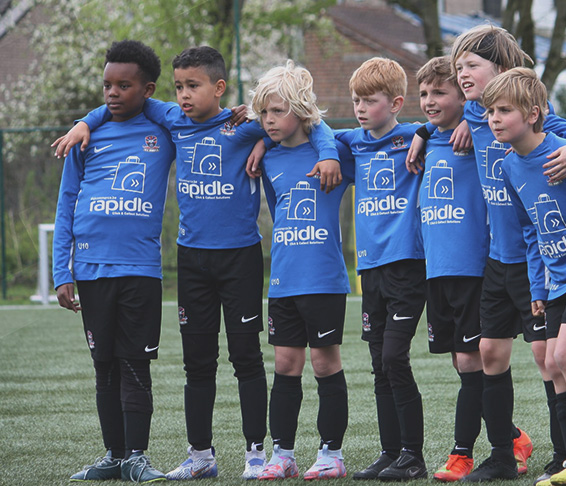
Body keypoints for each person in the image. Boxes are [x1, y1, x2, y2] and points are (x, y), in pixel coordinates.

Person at [54, 46, 341, 480]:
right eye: (179, 87)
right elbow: (125, 97)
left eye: (193, 86)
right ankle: (200, 455)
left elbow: (308, 124)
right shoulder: (171, 119)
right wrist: (84, 122)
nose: (184, 95)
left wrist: (280, 143)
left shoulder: (245, 125)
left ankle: (255, 453)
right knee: (198, 362)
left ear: (219, 87)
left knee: (246, 357)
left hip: (240, 257)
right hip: (191, 260)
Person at [406, 25, 566, 483]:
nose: (462, 74)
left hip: (537, 261)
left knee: (547, 358)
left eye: (471, 65)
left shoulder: (527, 115)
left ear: (502, 68)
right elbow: (443, 112)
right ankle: (501, 456)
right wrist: (422, 130)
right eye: (459, 66)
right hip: (497, 260)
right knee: (490, 352)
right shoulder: (476, 114)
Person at [485, 67, 566, 486]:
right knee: (552, 362)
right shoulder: (509, 166)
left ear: (534, 114)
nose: (495, 119)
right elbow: (531, 230)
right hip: (556, 277)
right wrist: (538, 286)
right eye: (490, 111)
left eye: (504, 110)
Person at [53, 39, 174, 483]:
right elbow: (66, 204)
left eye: (125, 85)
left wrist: (89, 117)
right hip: (90, 270)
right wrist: (61, 271)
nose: (113, 93)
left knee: (134, 364)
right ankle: (114, 455)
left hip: (139, 270)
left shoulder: (163, 129)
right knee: (103, 365)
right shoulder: (83, 139)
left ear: (148, 90)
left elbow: (190, 113)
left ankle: (137, 456)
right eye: (107, 85)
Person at [240, 60, 352, 481]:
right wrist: (260, 141)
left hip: (323, 279)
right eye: (264, 113)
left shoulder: (333, 151)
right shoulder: (268, 158)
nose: (268, 120)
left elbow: (327, 132)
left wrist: (326, 148)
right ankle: (283, 453)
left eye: (278, 111)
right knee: (285, 365)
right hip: (283, 281)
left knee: (324, 364)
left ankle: (331, 453)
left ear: (302, 111)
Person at [334, 57, 428, 481]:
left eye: (369, 101)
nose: (360, 108)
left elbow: (452, 121)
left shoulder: (415, 135)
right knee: (378, 363)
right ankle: (390, 453)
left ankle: (414, 455)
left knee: (394, 357)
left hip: (407, 264)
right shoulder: (352, 142)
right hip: (369, 268)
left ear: (395, 103)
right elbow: (314, 134)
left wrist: (424, 133)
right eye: (356, 100)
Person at [413, 56, 488, 482]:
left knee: (472, 361)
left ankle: (462, 454)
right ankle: (512, 436)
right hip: (436, 271)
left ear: (464, 96)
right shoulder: (425, 138)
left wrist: (475, 119)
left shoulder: (481, 133)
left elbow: (515, 104)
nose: (429, 100)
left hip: (472, 270)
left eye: (440, 92)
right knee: (461, 363)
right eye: (424, 93)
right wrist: (422, 132)